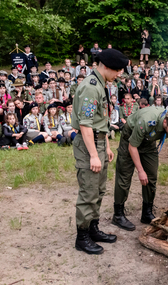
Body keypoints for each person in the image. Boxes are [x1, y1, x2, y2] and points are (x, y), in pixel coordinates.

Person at [71, 49, 126, 255]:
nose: (119, 74)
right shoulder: (91, 87)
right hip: (89, 145)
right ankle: (82, 236)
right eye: (118, 70)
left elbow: (99, 119)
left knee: (99, 189)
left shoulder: (101, 84)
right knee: (89, 191)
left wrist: (107, 146)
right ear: (106, 66)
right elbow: (85, 125)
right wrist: (94, 154)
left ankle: (93, 228)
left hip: (99, 142)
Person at [112, 106, 168, 231]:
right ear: (165, 122)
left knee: (151, 177)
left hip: (148, 142)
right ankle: (118, 215)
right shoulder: (147, 121)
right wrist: (140, 170)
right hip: (130, 138)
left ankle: (147, 213)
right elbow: (132, 147)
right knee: (124, 176)